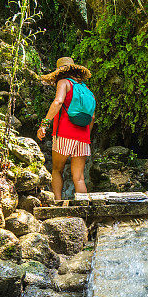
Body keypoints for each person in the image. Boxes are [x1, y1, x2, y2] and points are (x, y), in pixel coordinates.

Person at [37, 57, 94, 201]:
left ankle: (58, 203)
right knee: (79, 177)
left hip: (64, 133)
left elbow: (58, 101)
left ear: (59, 72)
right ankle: (84, 207)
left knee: (57, 170)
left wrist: (44, 124)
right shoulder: (86, 89)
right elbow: (92, 118)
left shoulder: (64, 83)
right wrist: (86, 136)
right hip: (83, 137)